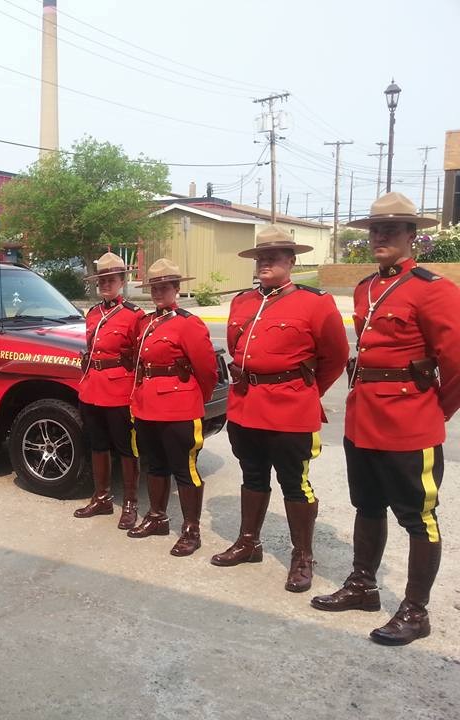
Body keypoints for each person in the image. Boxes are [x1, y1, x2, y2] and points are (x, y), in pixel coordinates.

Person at [311, 192, 460, 646]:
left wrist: (434, 411)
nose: (380, 237)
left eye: (391, 230)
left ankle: (416, 611)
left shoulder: (433, 289)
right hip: (364, 418)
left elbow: (456, 361)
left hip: (409, 421)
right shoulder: (365, 288)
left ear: (412, 236)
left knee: (418, 517)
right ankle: (363, 586)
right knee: (367, 505)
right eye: (375, 229)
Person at [210, 226, 347, 592]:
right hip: (246, 404)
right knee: (252, 475)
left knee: (294, 483)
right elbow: (238, 349)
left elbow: (335, 357)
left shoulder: (315, 302)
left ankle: (302, 556)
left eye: (274, 255)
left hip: (290, 408)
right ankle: (249, 542)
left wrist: (306, 391)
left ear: (291, 260)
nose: (265, 261)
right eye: (261, 256)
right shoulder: (243, 302)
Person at [127, 259, 218, 556]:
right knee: (155, 465)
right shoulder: (146, 323)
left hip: (179, 407)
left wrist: (195, 400)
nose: (158, 292)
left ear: (177, 288)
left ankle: (191, 530)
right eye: (154, 287)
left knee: (184, 469)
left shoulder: (188, 323)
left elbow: (207, 370)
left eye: (164, 287)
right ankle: (157, 517)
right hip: (147, 405)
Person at [75, 252, 143, 529]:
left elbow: (139, 357)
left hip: (119, 389)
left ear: (122, 282)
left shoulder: (134, 315)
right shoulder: (93, 314)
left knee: (126, 447)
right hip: (92, 387)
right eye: (101, 280)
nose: (105, 284)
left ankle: (130, 503)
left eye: (111, 280)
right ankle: (101, 497)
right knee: (98, 444)